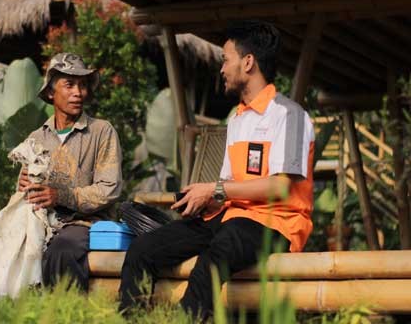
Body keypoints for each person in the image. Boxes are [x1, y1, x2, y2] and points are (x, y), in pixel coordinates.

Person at [118, 20, 315, 319]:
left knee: (214, 256)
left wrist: (215, 189)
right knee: (142, 250)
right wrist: (203, 198)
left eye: (225, 60)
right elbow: (229, 185)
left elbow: (279, 187)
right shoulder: (237, 119)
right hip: (229, 218)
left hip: (275, 223)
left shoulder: (290, 116)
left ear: (248, 62)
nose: (221, 69)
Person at [17, 52, 122, 291]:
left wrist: (61, 196)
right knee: (6, 244)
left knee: (62, 248)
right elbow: (24, 190)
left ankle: (66, 308)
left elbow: (109, 188)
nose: (78, 92)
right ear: (51, 92)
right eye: (70, 84)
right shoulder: (36, 138)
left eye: (82, 85)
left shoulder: (101, 131)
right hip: (41, 222)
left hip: (84, 223)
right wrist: (23, 186)